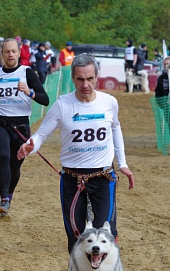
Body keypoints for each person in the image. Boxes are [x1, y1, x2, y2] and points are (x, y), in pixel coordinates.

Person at [17, 53, 135, 253]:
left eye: (90, 79)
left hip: (103, 177)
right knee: (76, 237)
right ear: (73, 78)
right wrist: (30, 146)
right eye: (80, 79)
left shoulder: (109, 103)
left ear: (97, 77)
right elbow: (41, 135)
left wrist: (122, 163)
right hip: (72, 178)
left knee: (105, 233)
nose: (85, 84)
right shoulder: (63, 105)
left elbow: (115, 128)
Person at [0, 38, 49, 216]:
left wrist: (30, 92)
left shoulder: (28, 73)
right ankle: (3, 199)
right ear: (1, 54)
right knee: (4, 155)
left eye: (13, 51)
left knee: (15, 166)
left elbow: (45, 99)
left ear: (19, 53)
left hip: (22, 127)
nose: (10, 54)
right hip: (1, 123)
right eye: (7, 51)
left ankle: (8, 197)